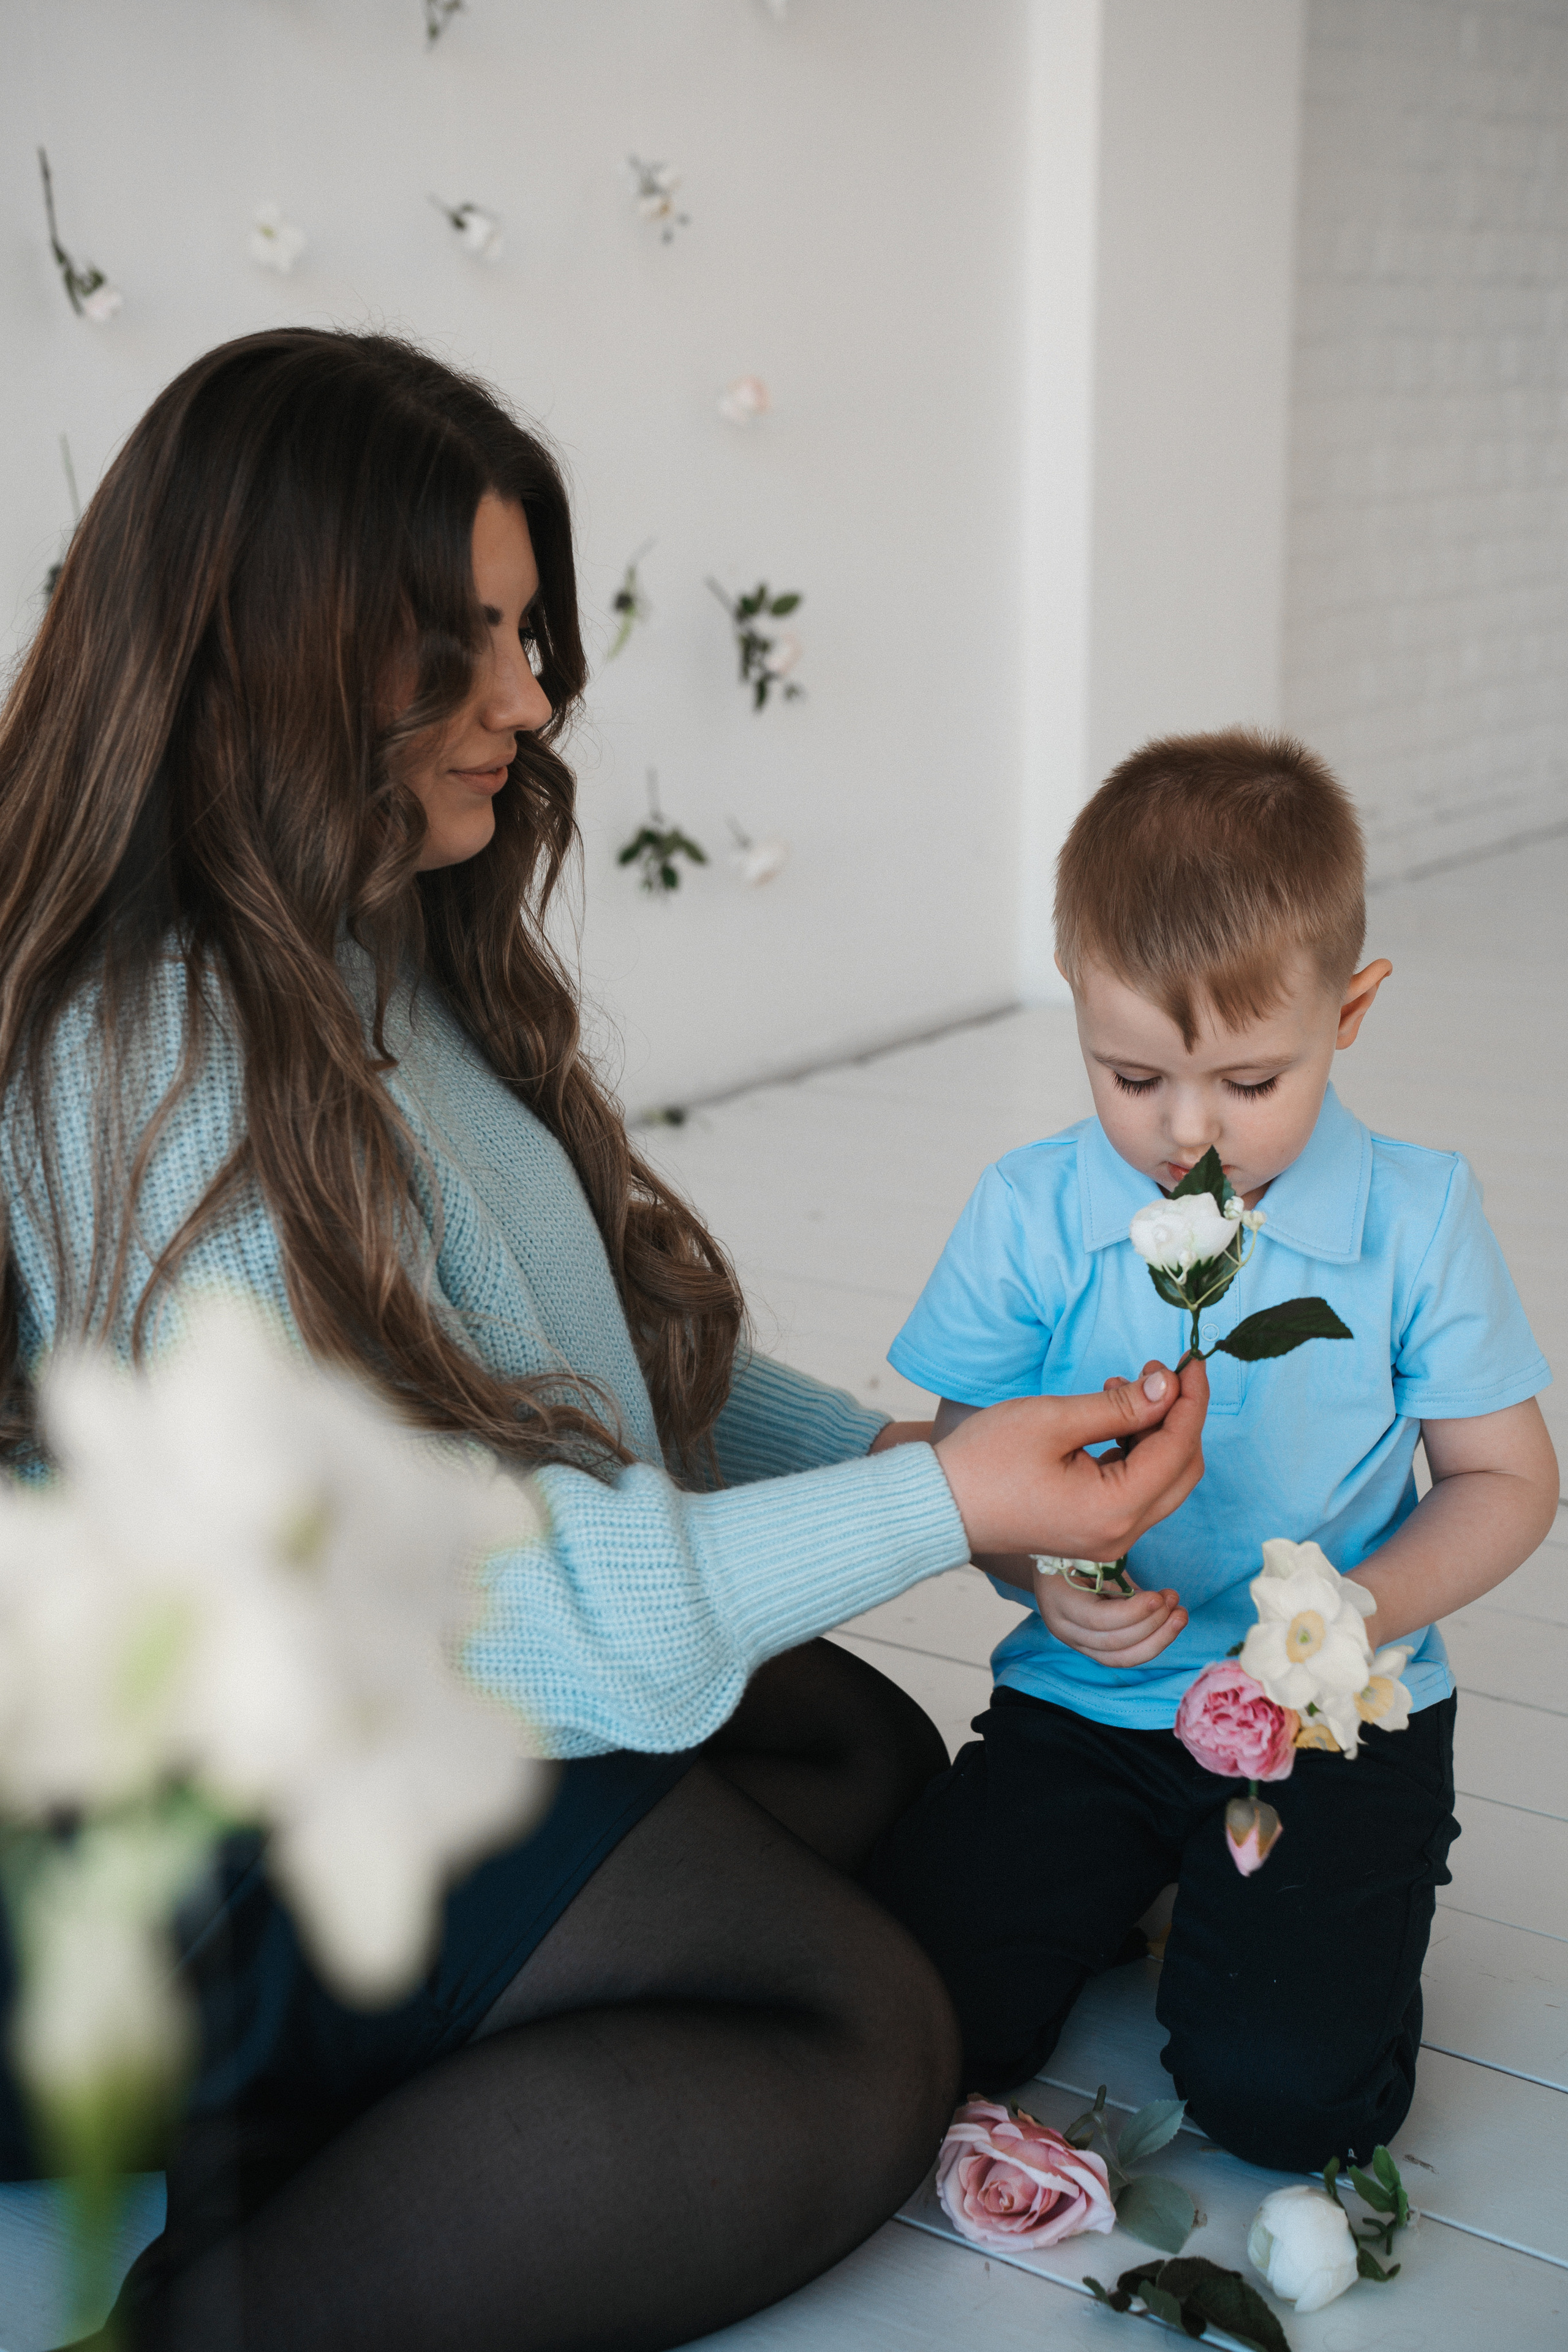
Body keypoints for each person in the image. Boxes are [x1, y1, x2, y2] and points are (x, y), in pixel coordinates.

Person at [0, 328, 1210, 2352]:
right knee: (857, 2028)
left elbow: (602, 1368)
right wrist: (929, 1503)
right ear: (294, 653)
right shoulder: (160, 1058)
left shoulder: (367, 935)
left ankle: (363, 2114)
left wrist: (947, 1470)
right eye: (463, 648)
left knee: (841, 1743)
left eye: (530, 632)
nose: (535, 699)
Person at [867, 729, 1557, 2174]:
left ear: (1348, 1011)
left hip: (1325, 1728)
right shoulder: (1034, 1209)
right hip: (1084, 1708)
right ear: (1076, 1011)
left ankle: (1309, 1911)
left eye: (1249, 1084)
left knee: (1283, 2104)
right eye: (1132, 1078)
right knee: (917, 2021)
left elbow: (1505, 1480)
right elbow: (958, 1451)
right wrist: (1042, 1570)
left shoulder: (1412, 1220)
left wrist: (1352, 1619)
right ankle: (1139, 1879)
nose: (1187, 1135)